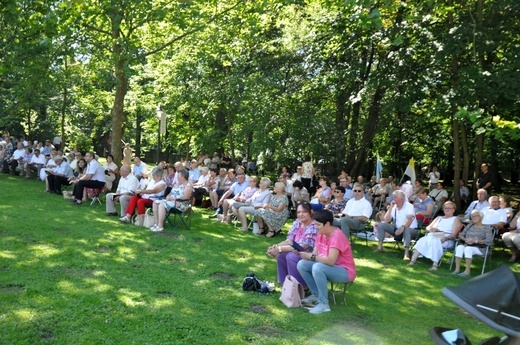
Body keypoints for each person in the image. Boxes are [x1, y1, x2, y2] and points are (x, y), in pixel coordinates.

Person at [296, 209, 356, 315]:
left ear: (327, 224)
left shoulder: (337, 236)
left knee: (318, 267)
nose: (315, 227)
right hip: (327, 267)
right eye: (315, 224)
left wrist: (312, 257)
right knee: (302, 264)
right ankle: (316, 294)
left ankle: (324, 304)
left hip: (344, 271)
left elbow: (331, 261)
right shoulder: (321, 233)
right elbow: (315, 255)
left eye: (318, 225)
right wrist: (303, 254)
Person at [267, 203, 317, 287]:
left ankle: (300, 286)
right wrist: (276, 246)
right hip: (296, 250)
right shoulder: (297, 223)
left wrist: (279, 249)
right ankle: (286, 284)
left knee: (291, 256)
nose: (301, 214)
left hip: (309, 253)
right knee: (280, 255)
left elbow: (302, 247)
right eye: (298, 212)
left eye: (304, 212)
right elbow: (289, 240)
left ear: (311, 212)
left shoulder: (313, 226)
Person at [408, 201, 462, 270]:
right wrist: (432, 229)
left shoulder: (455, 219)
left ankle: (432, 264)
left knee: (431, 239)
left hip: (447, 238)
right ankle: (417, 261)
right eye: (445, 208)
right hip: (434, 235)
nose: (447, 209)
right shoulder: (439, 218)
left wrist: (445, 238)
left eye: (449, 208)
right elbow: (428, 228)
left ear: (453, 210)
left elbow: (454, 234)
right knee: (424, 239)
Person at [374, 190, 418, 260]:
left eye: (395, 198)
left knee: (406, 229)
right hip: (397, 229)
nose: (393, 199)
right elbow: (386, 220)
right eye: (393, 197)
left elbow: (409, 219)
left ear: (401, 199)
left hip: (411, 230)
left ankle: (406, 254)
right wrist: (391, 207)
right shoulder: (394, 207)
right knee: (382, 224)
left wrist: (402, 228)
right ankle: (379, 248)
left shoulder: (409, 206)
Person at [452, 210, 494, 277]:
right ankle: (457, 270)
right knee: (459, 247)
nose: (473, 217)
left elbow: (489, 240)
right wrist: (466, 239)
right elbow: (461, 235)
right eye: (472, 216)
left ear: (481, 217)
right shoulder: (470, 225)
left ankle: (467, 271)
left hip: (481, 248)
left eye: (476, 216)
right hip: (468, 244)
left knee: (468, 249)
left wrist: (476, 241)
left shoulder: (487, 228)